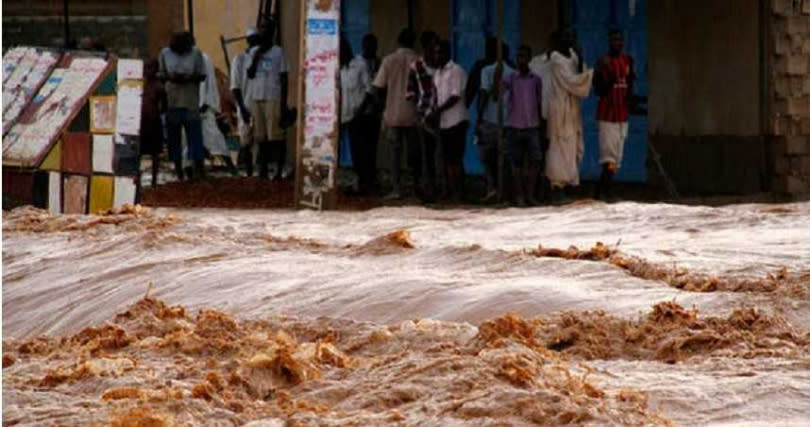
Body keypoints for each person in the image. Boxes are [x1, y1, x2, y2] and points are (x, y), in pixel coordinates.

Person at [530, 29, 593, 204]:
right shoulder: (557, 59)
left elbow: (580, 75)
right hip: (558, 109)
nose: (570, 41)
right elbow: (573, 82)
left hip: (571, 108)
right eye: (566, 38)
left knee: (571, 147)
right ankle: (556, 187)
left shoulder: (572, 56)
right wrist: (587, 73)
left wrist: (580, 58)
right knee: (557, 148)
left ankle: (565, 185)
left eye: (571, 37)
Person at [372, 28, 420, 200]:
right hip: (413, 114)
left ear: (398, 41)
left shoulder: (389, 60)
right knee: (414, 153)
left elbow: (377, 87)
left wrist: (382, 107)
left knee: (395, 154)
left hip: (392, 113)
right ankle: (415, 187)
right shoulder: (418, 61)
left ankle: (396, 187)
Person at [158, 31, 207, 180]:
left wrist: (189, 78)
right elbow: (161, 74)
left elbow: (202, 75)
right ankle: (179, 171)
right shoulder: (165, 53)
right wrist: (171, 77)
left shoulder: (196, 53)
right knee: (174, 139)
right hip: (172, 101)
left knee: (195, 138)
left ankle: (198, 170)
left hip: (190, 101)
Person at [593, 29, 635, 200]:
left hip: (622, 115)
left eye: (619, 40)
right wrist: (608, 78)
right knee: (608, 158)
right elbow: (598, 90)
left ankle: (601, 191)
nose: (617, 43)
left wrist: (632, 104)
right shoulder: (603, 62)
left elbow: (630, 85)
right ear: (609, 42)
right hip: (607, 116)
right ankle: (606, 191)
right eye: (613, 40)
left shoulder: (627, 60)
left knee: (616, 159)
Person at [247, 24, 290, 180]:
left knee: (276, 136)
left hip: (273, 97)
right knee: (261, 136)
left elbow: (284, 78)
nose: (262, 39)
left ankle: (278, 170)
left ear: (271, 36)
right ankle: (263, 169)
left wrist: (284, 103)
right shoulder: (253, 52)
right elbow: (250, 74)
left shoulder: (279, 52)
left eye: (265, 36)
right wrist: (256, 57)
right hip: (257, 97)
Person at [502, 45, 544, 207]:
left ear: (529, 59)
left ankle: (530, 194)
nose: (521, 60)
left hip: (532, 126)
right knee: (516, 164)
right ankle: (519, 196)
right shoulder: (511, 78)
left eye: (524, 57)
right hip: (515, 126)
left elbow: (539, 102)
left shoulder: (536, 80)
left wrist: (541, 123)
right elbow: (497, 93)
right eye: (518, 57)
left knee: (536, 161)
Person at [432, 40, 469, 202]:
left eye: (440, 52)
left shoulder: (456, 71)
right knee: (446, 159)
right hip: (444, 122)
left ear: (448, 53)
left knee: (456, 159)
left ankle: (459, 192)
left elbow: (455, 96)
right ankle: (449, 191)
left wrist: (438, 110)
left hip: (457, 120)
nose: (437, 56)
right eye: (435, 52)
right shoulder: (437, 73)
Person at [343, 34, 380, 194]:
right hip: (349, 116)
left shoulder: (360, 65)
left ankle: (369, 183)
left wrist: (361, 110)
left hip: (365, 116)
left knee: (367, 152)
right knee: (356, 153)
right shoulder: (341, 69)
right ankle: (361, 182)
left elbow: (370, 90)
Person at [477, 43, 514, 202]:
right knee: (504, 158)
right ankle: (504, 191)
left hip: (490, 120)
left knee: (487, 157)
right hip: (508, 120)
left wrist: (478, 118)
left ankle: (493, 188)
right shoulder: (514, 73)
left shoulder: (486, 71)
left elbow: (485, 94)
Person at [406, 30, 440, 201]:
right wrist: (418, 117)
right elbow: (411, 93)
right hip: (423, 116)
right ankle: (421, 188)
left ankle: (436, 188)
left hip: (441, 115)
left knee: (437, 155)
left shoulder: (442, 66)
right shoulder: (416, 67)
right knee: (420, 155)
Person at [199, 46, 238, 176]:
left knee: (215, 138)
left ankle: (231, 167)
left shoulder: (203, 59)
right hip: (193, 108)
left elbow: (207, 84)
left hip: (205, 108)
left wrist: (207, 103)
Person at [231, 27, 262, 176]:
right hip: (246, 104)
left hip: (262, 103)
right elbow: (235, 86)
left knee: (261, 139)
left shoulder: (264, 58)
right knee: (246, 141)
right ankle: (249, 172)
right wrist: (242, 108)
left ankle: (259, 172)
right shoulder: (240, 59)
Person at [140, 59, 167, 187]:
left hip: (153, 123)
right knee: (138, 152)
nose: (148, 71)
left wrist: (157, 113)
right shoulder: (139, 84)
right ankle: (137, 178)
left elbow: (164, 105)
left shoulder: (159, 86)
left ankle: (154, 181)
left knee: (155, 153)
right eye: (146, 68)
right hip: (140, 124)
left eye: (151, 68)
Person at [465, 37, 497, 109]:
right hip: (486, 105)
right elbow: (471, 86)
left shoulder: (480, 65)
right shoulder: (480, 66)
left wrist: (467, 102)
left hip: (487, 106)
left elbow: (471, 88)